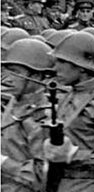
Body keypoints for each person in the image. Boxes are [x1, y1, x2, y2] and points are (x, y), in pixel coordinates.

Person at [45, 31, 94, 191]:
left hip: (88, 183)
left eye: (62, 61)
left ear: (82, 67)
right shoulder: (69, 94)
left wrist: (73, 155)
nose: (56, 68)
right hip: (61, 181)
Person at [0, 38, 54, 192]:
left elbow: (43, 177)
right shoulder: (14, 103)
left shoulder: (43, 118)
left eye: (16, 72)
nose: (6, 78)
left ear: (37, 76)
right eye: (5, 71)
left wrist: (3, 162)